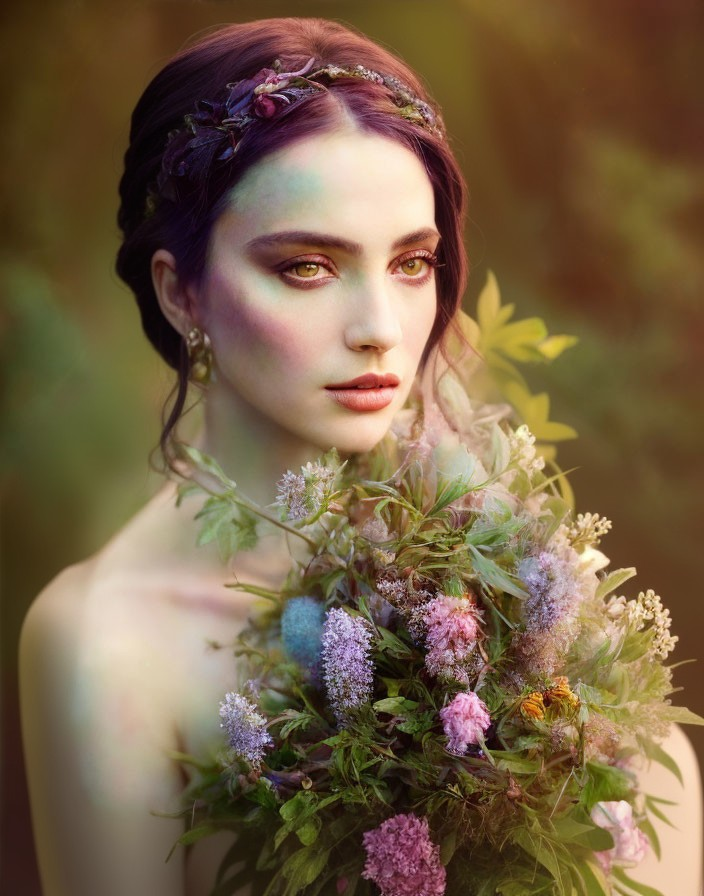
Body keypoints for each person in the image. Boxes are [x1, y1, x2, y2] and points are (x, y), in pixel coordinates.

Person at [18, 17, 702, 896]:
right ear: (180, 290)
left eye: (413, 263)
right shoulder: (104, 643)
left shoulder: (498, 572)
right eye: (308, 266)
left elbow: (657, 804)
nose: (380, 329)